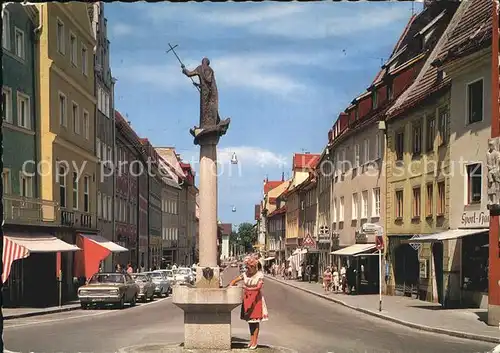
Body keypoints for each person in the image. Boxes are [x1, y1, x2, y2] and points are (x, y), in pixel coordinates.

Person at [230, 255, 268, 349]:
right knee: (250, 322)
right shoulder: (245, 274)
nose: (248, 269)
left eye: (249, 267)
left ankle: (255, 341)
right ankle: (251, 340)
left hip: (256, 299)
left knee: (255, 321)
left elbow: (258, 287)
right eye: (247, 267)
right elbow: (234, 280)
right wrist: (231, 285)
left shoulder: (259, 275)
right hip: (247, 299)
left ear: (254, 267)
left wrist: (247, 288)